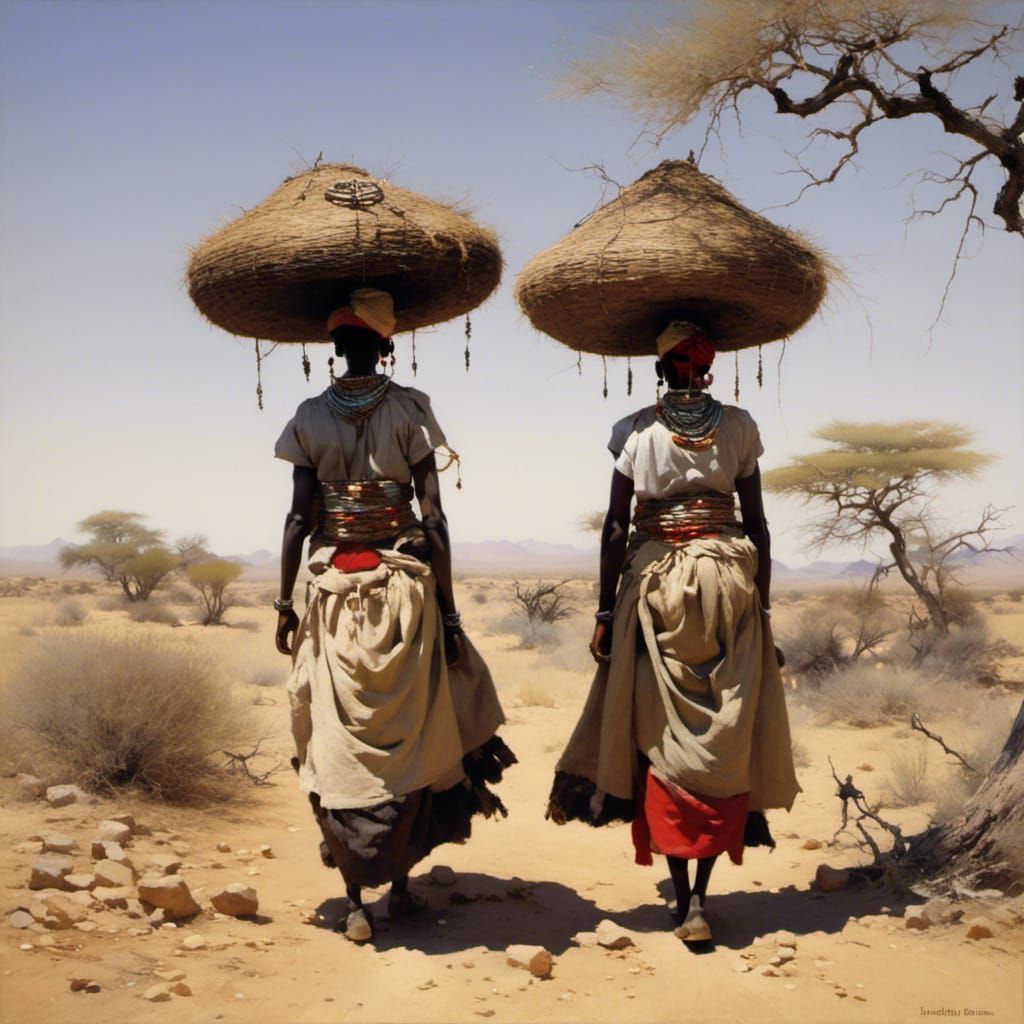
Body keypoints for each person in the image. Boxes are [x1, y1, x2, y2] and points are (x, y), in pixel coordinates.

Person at [547, 320, 799, 945]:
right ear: (706, 367)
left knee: (659, 741)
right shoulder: (739, 426)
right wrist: (762, 615)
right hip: (730, 588)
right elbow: (760, 528)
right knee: (722, 739)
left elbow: (613, 529)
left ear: (660, 371)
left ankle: (683, 898)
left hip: (654, 588)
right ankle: (700, 900)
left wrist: (606, 613)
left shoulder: (636, 431)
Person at [274, 288, 514, 943]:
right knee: (415, 731)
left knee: (336, 739)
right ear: (386, 346)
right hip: (403, 592)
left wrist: (285, 605)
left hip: (328, 594)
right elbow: (432, 519)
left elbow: (299, 520)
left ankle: (355, 901)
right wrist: (453, 616)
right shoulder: (410, 409)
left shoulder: (306, 417)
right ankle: (402, 887)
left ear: (335, 347)